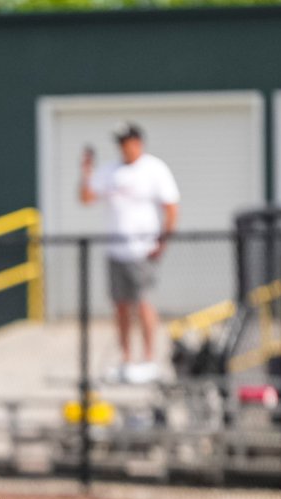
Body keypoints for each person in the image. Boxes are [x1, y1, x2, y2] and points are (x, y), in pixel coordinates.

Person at [80, 121, 180, 384]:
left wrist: (162, 241)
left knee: (143, 303)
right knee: (120, 306)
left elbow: (171, 207)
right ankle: (126, 359)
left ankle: (149, 359)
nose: (123, 147)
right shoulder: (110, 171)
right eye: (120, 143)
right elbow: (87, 198)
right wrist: (86, 172)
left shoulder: (154, 169)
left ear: (138, 143)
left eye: (126, 142)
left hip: (142, 250)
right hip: (116, 250)